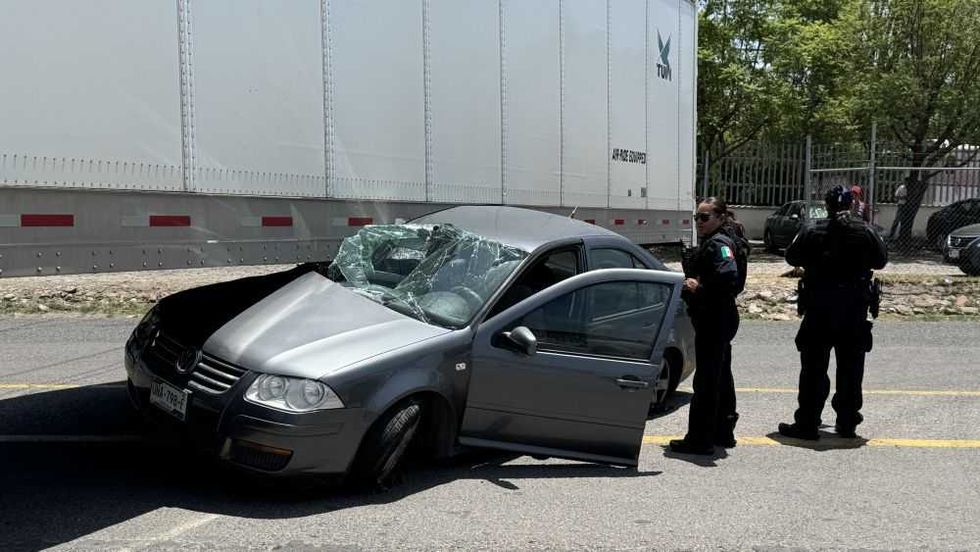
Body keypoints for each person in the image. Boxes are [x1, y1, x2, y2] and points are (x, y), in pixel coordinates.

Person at [778, 185, 888, 440]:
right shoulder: (865, 230)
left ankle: (807, 421)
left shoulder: (812, 229)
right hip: (853, 310)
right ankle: (847, 421)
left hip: (820, 308)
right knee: (851, 368)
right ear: (852, 205)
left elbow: (792, 257)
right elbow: (881, 260)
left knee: (814, 367)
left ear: (825, 206)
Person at [669, 197, 746, 455]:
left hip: (715, 317)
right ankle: (723, 432)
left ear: (720, 217)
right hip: (718, 316)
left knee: (707, 381)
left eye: (705, 217)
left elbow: (728, 277)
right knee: (721, 376)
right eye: (697, 218)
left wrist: (697, 288)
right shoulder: (720, 240)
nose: (699, 222)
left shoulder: (720, 243)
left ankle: (700, 439)